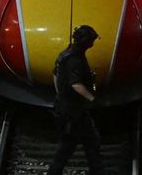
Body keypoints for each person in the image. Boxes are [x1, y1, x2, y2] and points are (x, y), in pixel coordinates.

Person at [48, 25, 106, 175]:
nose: (93, 43)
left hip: (65, 107)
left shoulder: (65, 54)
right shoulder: (75, 59)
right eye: (92, 40)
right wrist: (93, 99)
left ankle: (96, 171)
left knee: (88, 141)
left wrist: (60, 94)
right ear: (85, 41)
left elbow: (55, 74)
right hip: (73, 111)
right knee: (70, 145)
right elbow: (76, 84)